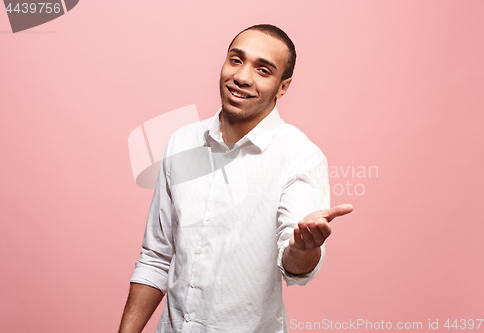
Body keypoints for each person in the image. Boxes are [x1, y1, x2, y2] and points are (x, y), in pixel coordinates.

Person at [118, 24, 353, 333]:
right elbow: (157, 255)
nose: (242, 77)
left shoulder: (300, 156)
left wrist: (303, 248)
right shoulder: (182, 143)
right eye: (236, 59)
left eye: (264, 70)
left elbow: (295, 267)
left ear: (283, 87)